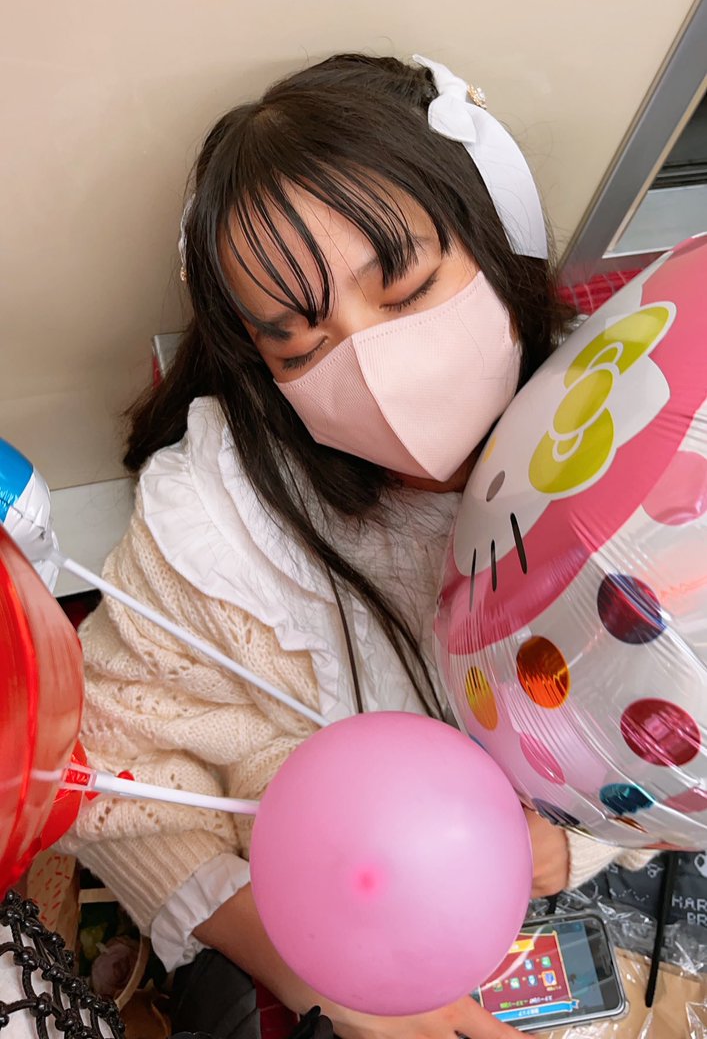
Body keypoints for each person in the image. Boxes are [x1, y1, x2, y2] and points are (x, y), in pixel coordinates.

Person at [62, 53, 651, 1039]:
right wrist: (319, 979)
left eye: (404, 288)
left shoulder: (636, 443)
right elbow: (113, 777)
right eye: (299, 342)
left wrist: (568, 846)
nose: (370, 363)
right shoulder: (217, 525)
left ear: (495, 234)